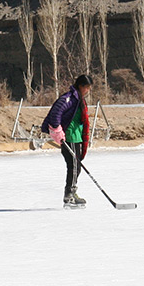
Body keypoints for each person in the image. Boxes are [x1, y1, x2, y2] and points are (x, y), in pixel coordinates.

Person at [41, 74, 92, 208]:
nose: (88, 91)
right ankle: (69, 195)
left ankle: (72, 192)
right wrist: (57, 131)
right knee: (74, 166)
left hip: (76, 137)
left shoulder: (78, 99)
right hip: (69, 137)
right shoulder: (68, 98)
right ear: (80, 86)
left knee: (76, 167)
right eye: (86, 87)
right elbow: (55, 113)